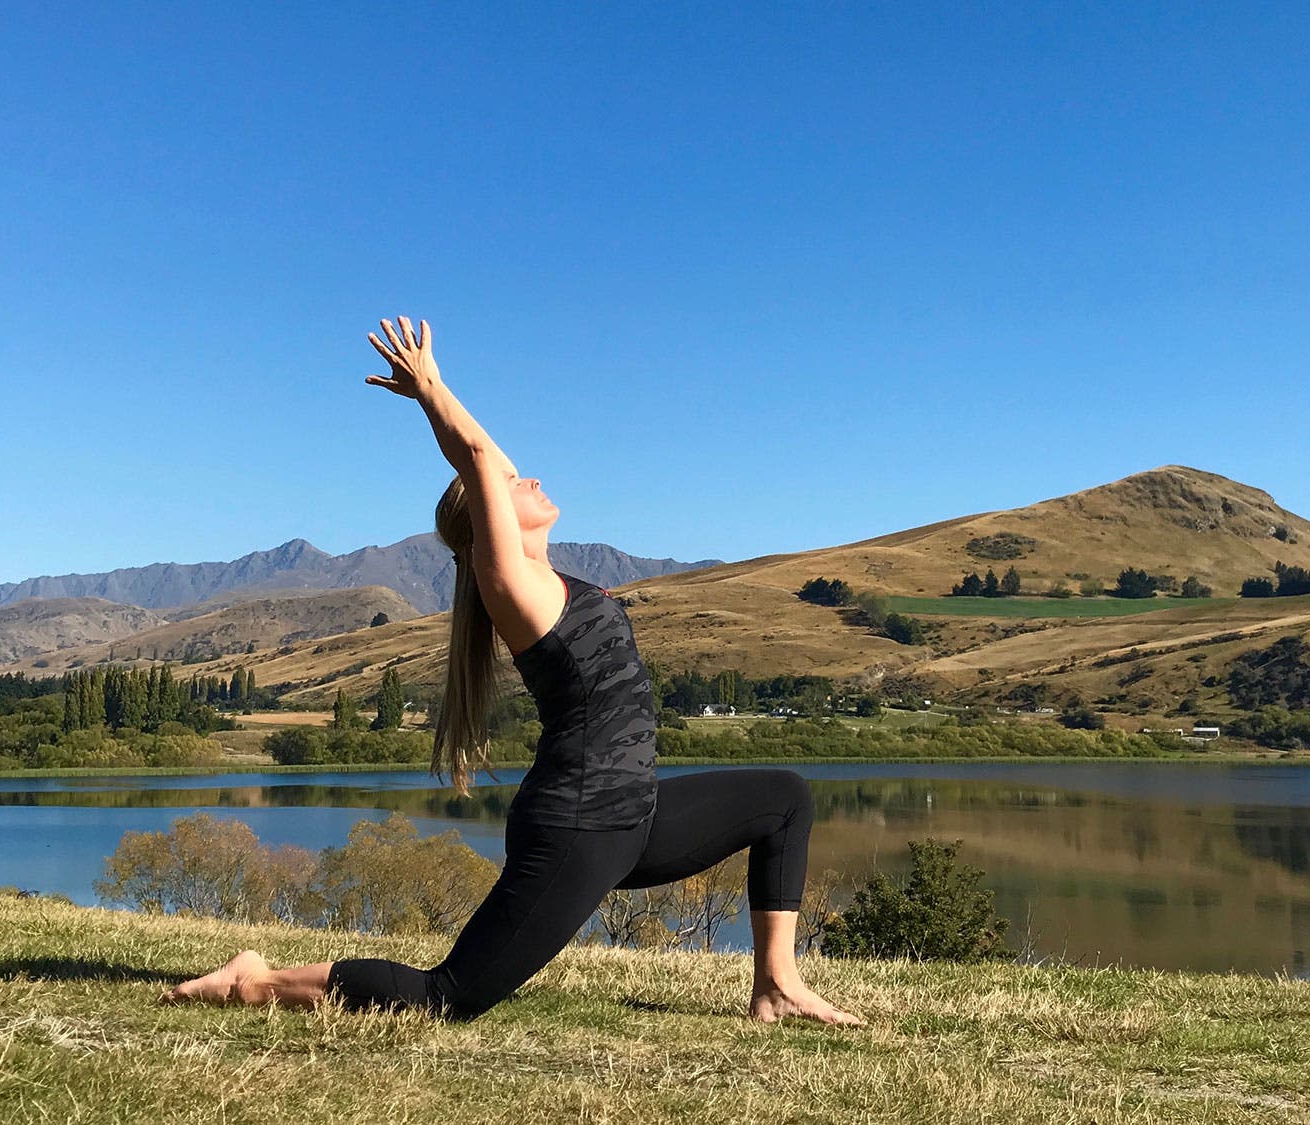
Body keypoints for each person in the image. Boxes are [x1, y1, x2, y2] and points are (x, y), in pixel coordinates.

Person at [161, 317, 862, 1026]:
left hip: (636, 815)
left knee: (785, 797)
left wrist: (441, 392)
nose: (525, 474)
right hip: (580, 824)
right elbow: (473, 455)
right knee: (448, 996)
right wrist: (430, 388)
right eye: (509, 483)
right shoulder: (512, 587)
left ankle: (775, 984)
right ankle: (251, 981)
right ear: (490, 517)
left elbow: (483, 458)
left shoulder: (541, 575)